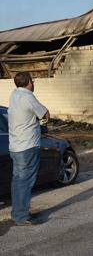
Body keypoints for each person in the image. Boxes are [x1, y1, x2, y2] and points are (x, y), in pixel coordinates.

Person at [8, 72, 49, 226]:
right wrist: (43, 117)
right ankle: (22, 216)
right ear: (30, 83)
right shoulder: (28, 97)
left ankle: (17, 212)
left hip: (16, 146)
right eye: (33, 81)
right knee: (25, 181)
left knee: (18, 180)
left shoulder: (14, 95)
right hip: (28, 147)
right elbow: (45, 113)